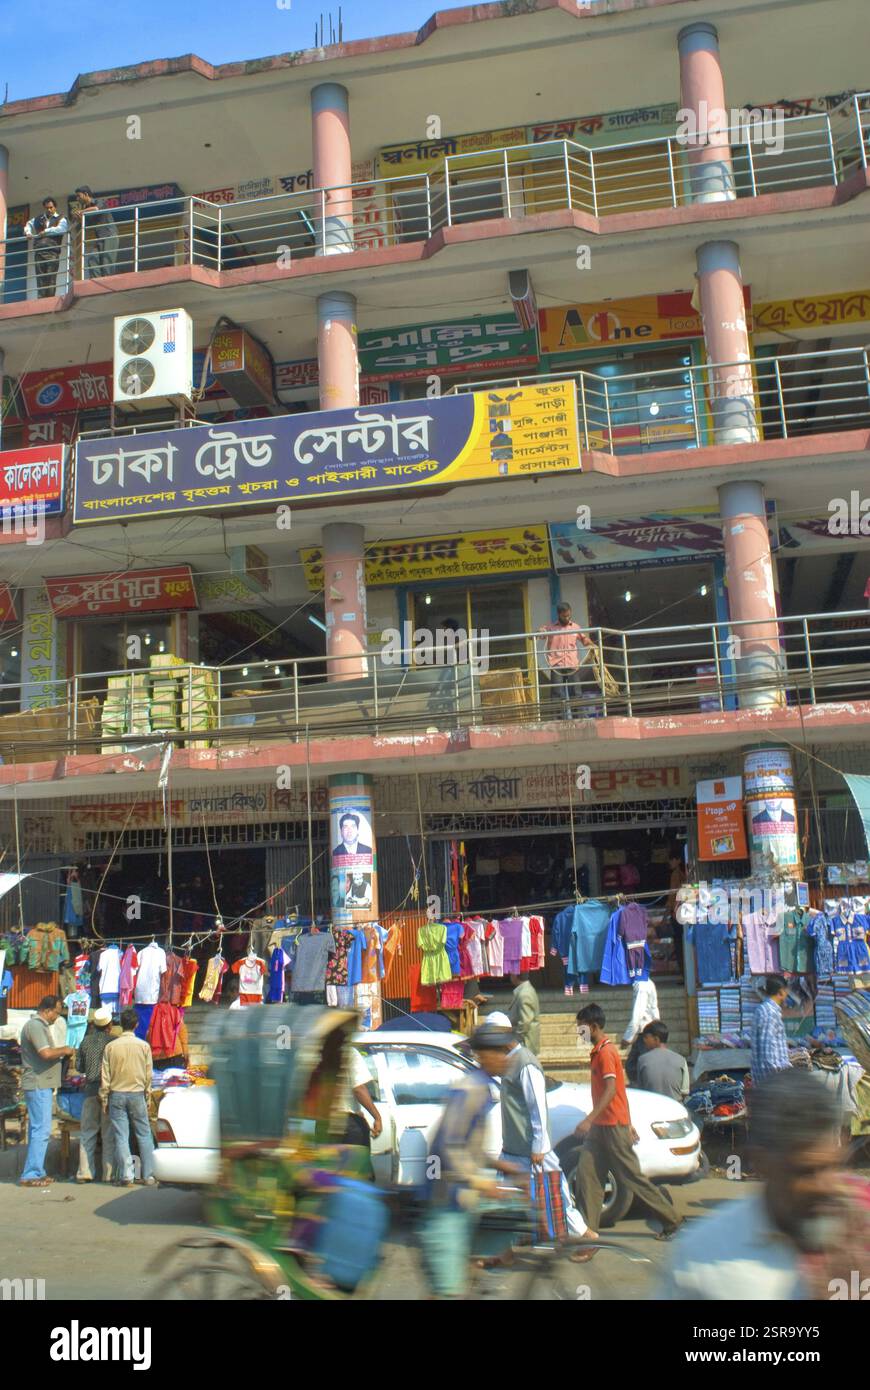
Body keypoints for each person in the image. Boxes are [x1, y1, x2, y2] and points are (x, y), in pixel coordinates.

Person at [660, 1070, 870, 1299]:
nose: (826, 1185)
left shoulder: (861, 1221)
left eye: (834, 1166)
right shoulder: (703, 1258)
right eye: (805, 1172)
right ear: (761, 1162)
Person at [419, 1025, 521, 1297]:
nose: (506, 1058)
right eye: (500, 1052)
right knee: (447, 1290)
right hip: (445, 1198)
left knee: (510, 1220)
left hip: (462, 1194)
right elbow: (449, 1146)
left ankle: (477, 1268)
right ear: (484, 1055)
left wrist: (498, 1165)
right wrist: (482, 1182)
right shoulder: (469, 1090)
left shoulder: (483, 1087)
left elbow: (468, 1147)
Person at [472, 1023, 593, 1245]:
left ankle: (585, 1236)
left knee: (556, 1192)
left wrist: (538, 1146)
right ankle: (509, 1243)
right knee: (511, 1195)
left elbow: (536, 1106)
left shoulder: (525, 1063)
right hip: (515, 1147)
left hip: (531, 1148)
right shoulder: (509, 1061)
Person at [573, 1003, 682, 1239]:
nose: (579, 1033)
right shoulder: (599, 1051)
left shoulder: (606, 1052)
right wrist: (627, 1122)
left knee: (631, 1178)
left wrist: (589, 1120)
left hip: (612, 1127)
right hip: (603, 1127)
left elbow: (611, 1089)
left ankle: (671, 1219)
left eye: (581, 1028)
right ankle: (588, 1232)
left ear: (593, 1027)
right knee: (587, 1176)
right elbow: (620, 1092)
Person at [19, 995, 76, 1187]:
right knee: (41, 1129)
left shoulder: (40, 1026)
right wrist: (65, 1050)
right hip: (38, 1083)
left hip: (41, 1083)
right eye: (56, 1013)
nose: (56, 1017)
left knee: (38, 1129)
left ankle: (37, 1171)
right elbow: (45, 1053)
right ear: (47, 1010)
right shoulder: (35, 1026)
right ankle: (31, 1173)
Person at [100, 1007, 157, 1187]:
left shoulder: (111, 1047)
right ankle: (148, 1175)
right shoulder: (144, 1046)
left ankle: (127, 1175)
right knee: (144, 1134)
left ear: (120, 1025)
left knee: (121, 1136)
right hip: (137, 1094)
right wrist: (148, 1096)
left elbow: (105, 1076)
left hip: (116, 1094)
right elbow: (148, 1075)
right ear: (137, 1024)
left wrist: (104, 1098)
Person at [75, 1007, 117, 1183]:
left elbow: (79, 1067)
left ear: (94, 1025)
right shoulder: (113, 1042)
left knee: (88, 1133)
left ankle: (84, 1172)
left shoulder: (85, 1041)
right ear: (109, 1025)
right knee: (108, 1134)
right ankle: (108, 1174)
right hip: (109, 1091)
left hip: (90, 1091)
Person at [537, 602, 595, 720]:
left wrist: (591, 644)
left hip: (572, 664)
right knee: (557, 694)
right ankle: (558, 721)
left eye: (569, 615)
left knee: (576, 693)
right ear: (559, 615)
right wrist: (539, 632)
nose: (567, 618)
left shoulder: (575, 627)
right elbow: (540, 634)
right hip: (556, 665)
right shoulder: (551, 628)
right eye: (564, 616)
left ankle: (578, 720)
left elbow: (584, 640)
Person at [751, 974, 792, 1084]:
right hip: (772, 1082)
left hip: (765, 1081)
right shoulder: (770, 1013)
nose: (787, 995)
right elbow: (767, 1054)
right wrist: (781, 1078)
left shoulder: (763, 1009)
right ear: (781, 992)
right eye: (786, 992)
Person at [341, 1046, 383, 1153]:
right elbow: (358, 1089)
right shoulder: (348, 1051)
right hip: (347, 1124)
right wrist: (377, 1117)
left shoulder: (316, 1052)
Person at [24, 198, 69, 298]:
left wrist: (46, 231)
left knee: (51, 278)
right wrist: (28, 232)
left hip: (52, 252)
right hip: (39, 252)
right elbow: (28, 224)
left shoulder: (61, 218)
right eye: (47, 208)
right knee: (40, 279)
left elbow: (62, 229)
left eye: (51, 207)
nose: (49, 210)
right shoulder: (38, 218)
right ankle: (41, 301)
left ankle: (50, 300)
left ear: (55, 207)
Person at [636, 1021, 690, 1102]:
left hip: (651, 1107)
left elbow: (641, 1090)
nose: (644, 1040)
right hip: (676, 1107)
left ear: (656, 1039)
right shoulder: (681, 1060)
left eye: (646, 1037)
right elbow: (685, 1092)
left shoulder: (642, 1060)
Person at [70, 185, 116, 278]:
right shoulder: (85, 209)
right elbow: (84, 224)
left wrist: (81, 212)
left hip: (109, 235)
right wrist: (77, 218)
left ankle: (108, 284)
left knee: (106, 265)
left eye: (79, 196)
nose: (77, 199)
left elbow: (96, 209)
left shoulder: (99, 202)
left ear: (86, 194)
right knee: (92, 259)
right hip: (99, 238)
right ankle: (98, 283)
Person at [507, 972, 541, 1055]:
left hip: (524, 1042)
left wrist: (515, 1039)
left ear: (515, 975)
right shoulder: (525, 990)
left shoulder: (524, 994)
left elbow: (525, 1021)